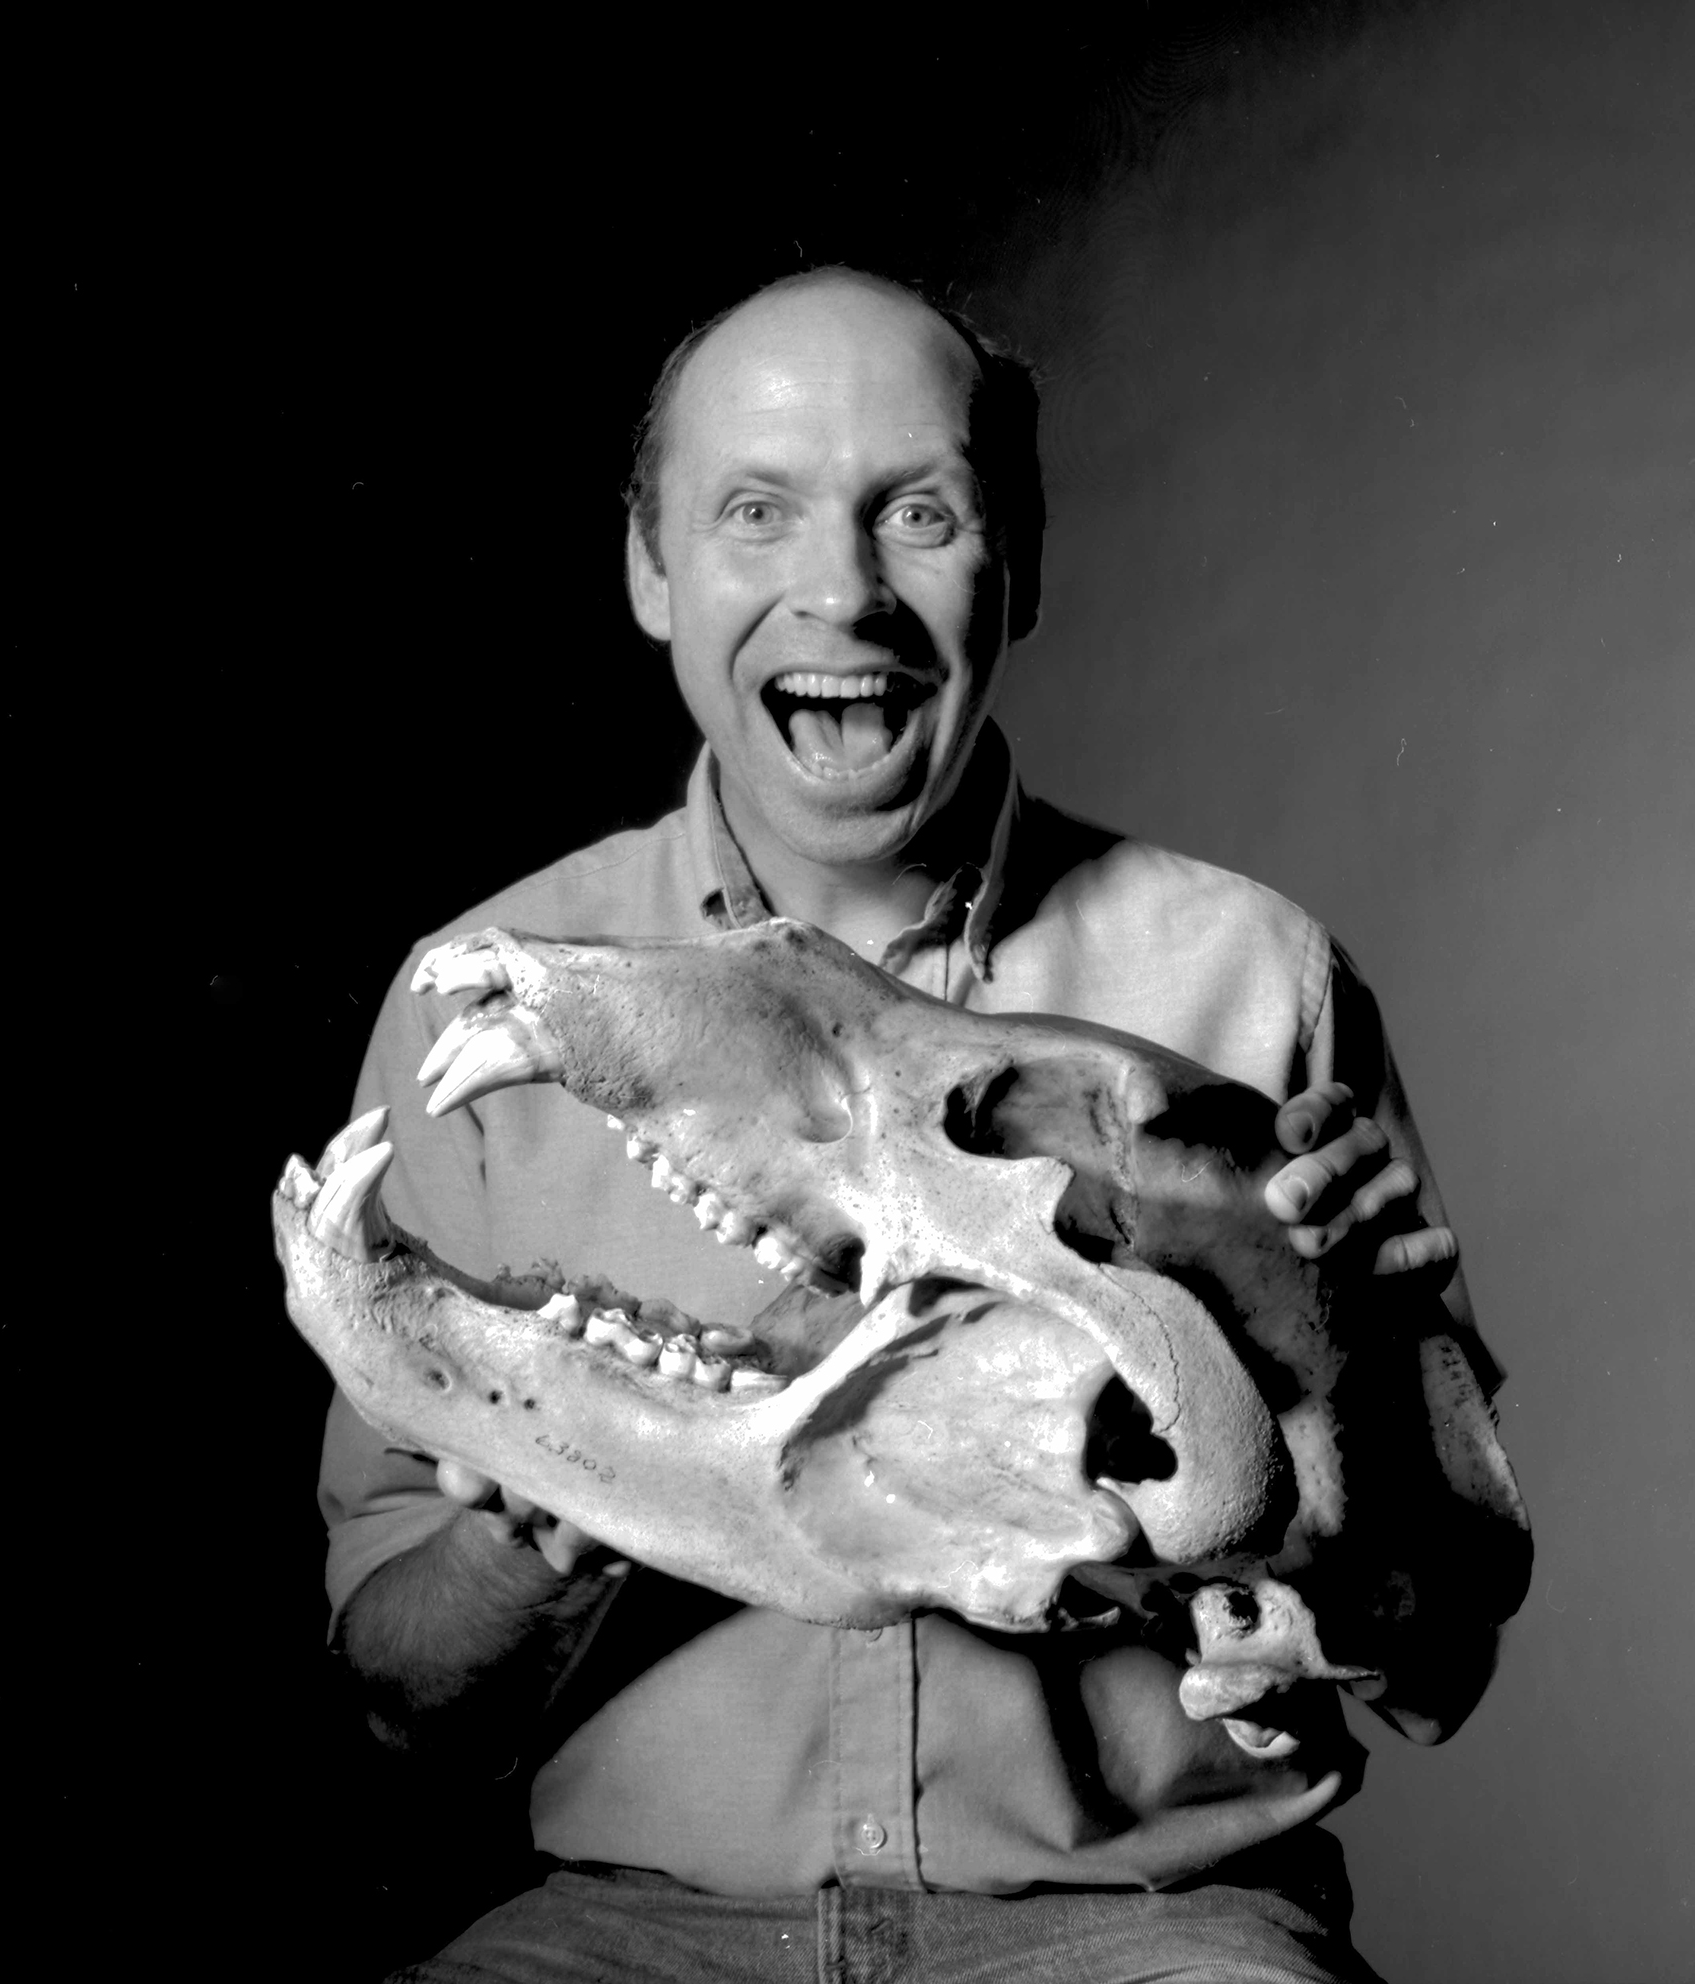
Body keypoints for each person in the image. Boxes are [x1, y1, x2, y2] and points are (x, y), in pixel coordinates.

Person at [318, 267, 1505, 1983]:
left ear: (1015, 558)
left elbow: (1446, 1648)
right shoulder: (479, 1011)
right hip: (638, 1934)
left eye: (920, 514)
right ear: (651, 568)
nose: (843, 592)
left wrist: (1349, 1390)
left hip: (1147, 1934)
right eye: (755, 513)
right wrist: (551, 1517)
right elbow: (398, 1700)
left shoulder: (1255, 979)